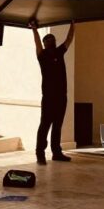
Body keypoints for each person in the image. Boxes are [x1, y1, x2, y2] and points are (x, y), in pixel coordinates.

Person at [29, 20, 75, 165]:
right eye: (48, 40)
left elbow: (69, 39)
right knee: (45, 125)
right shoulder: (42, 56)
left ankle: (57, 152)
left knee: (57, 125)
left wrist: (73, 24)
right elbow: (36, 43)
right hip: (48, 98)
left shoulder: (60, 52)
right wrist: (34, 30)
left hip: (62, 97)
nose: (51, 41)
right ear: (45, 43)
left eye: (52, 39)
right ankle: (40, 154)